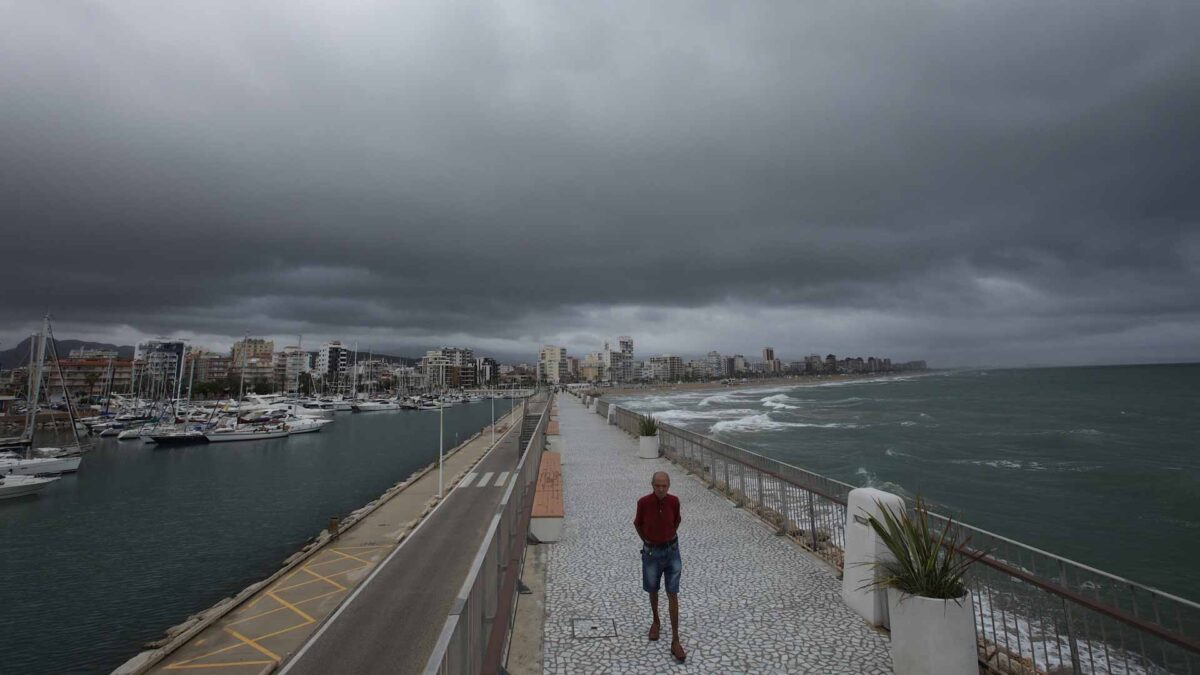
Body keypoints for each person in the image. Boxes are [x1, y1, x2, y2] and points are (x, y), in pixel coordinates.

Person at [633, 470, 686, 663]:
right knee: (653, 589)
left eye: (664, 486)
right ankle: (656, 620)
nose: (661, 489)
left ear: (669, 486)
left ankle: (675, 639)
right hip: (651, 552)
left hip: (672, 551)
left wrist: (666, 539)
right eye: (658, 485)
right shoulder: (643, 503)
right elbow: (637, 524)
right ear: (652, 485)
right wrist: (649, 542)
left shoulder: (674, 501)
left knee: (673, 593)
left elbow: (676, 521)